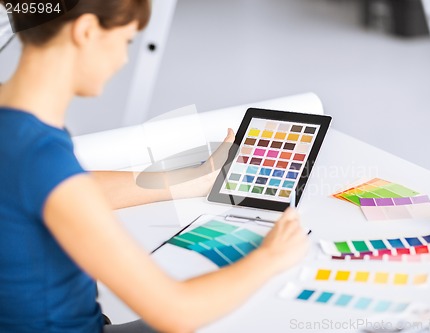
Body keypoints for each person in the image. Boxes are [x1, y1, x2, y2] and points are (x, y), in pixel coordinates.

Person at [0, 1, 309, 332]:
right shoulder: (42, 157)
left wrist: (193, 180)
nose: (123, 59)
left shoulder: (17, 128)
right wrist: (270, 258)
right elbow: (176, 311)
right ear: (86, 31)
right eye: (126, 41)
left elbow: (64, 191)